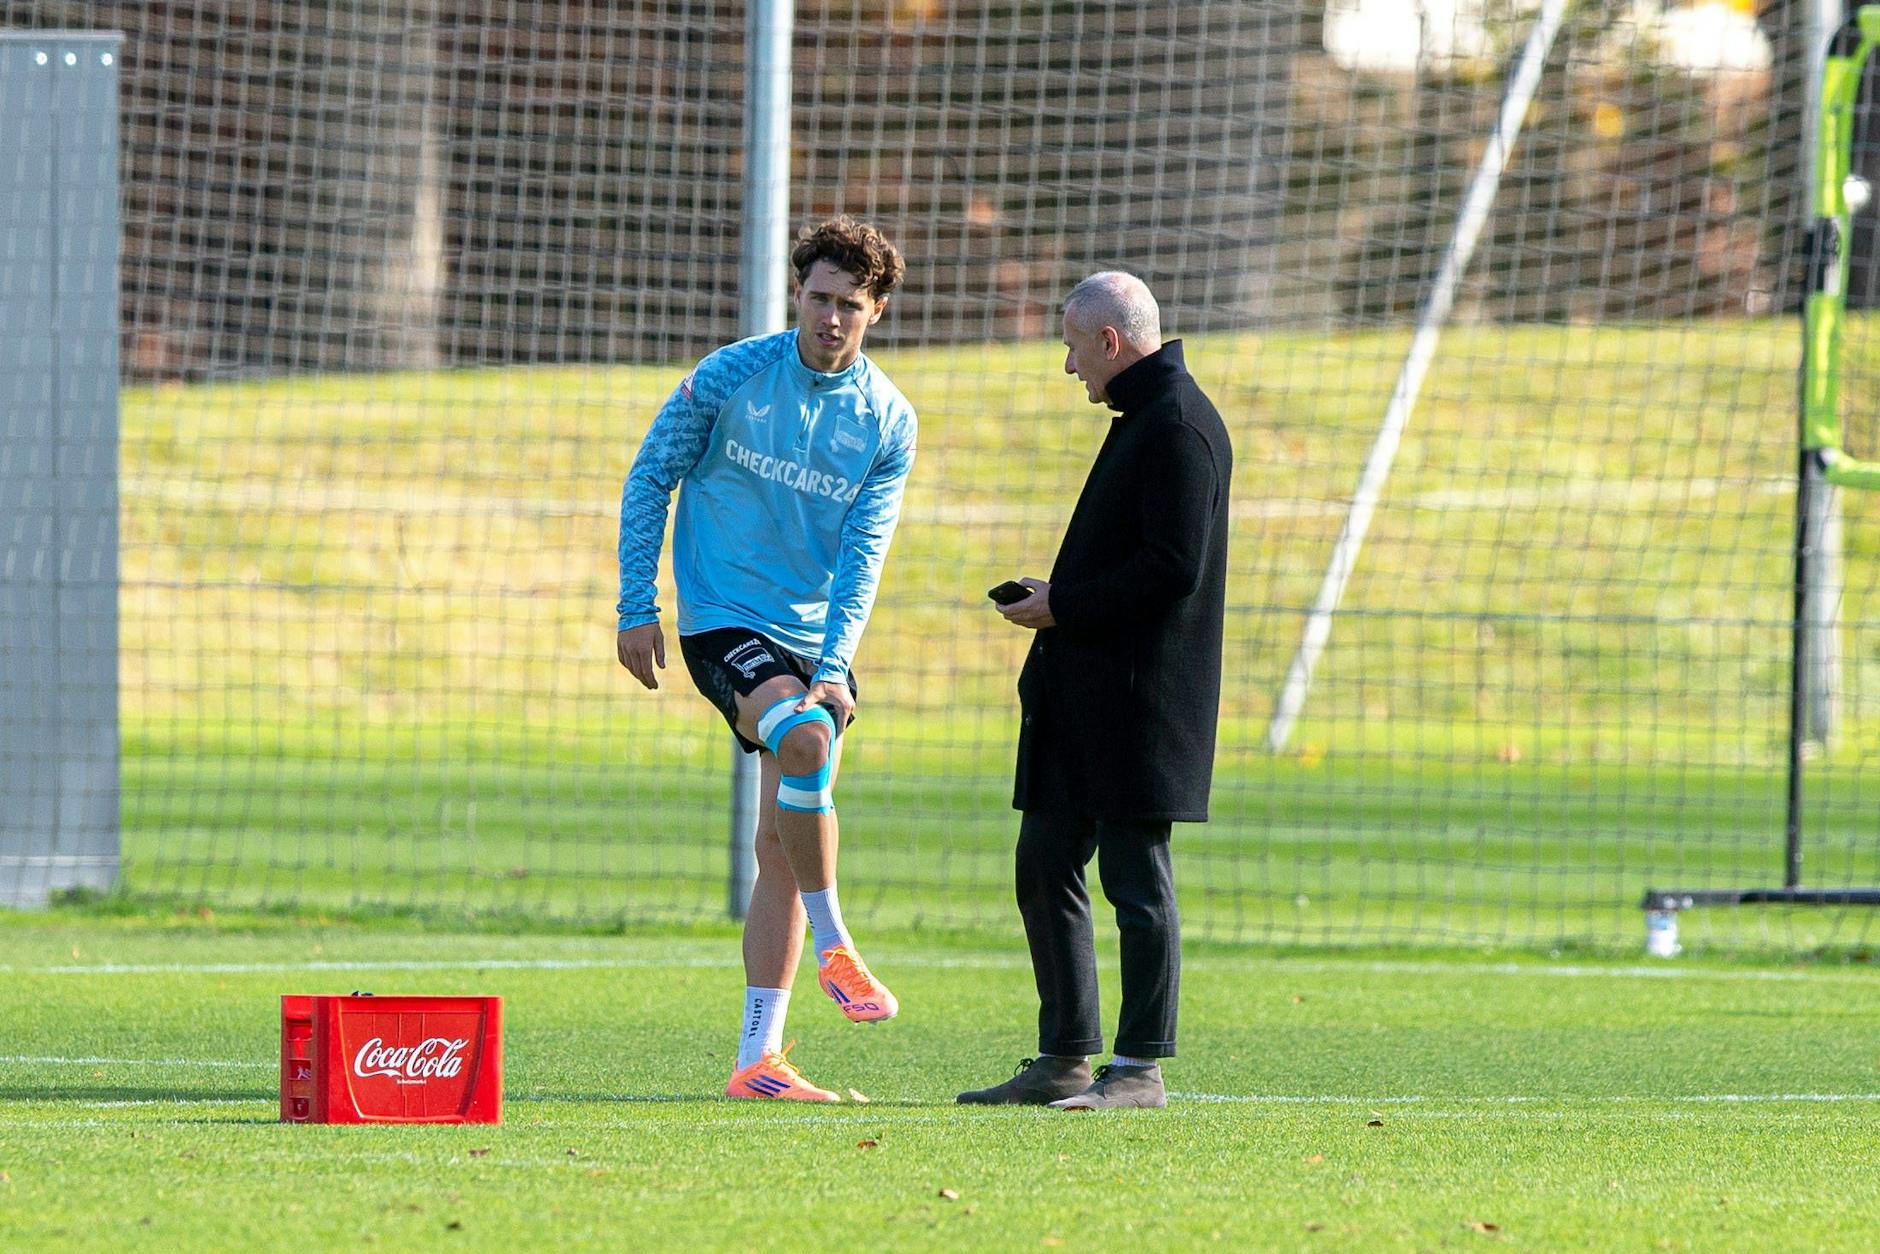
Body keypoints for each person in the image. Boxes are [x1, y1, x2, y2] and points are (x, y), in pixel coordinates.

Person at [615, 216, 916, 1103]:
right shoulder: (732, 376)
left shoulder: (888, 421)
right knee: (807, 743)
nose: (830, 319)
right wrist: (640, 606)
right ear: (799, 295)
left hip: (813, 637)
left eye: (849, 307)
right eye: (818, 299)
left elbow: (865, 553)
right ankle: (837, 947)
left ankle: (759, 1059)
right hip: (721, 619)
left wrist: (836, 662)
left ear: (877, 311)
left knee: (783, 844)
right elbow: (650, 475)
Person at [958, 272, 1232, 1111]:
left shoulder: (1178, 426)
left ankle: (1140, 1067)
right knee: (1045, 860)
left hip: (1141, 707)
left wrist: (1063, 604)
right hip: (1086, 698)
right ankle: (1065, 1056)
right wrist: (1058, 593)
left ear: (1109, 342)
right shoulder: (1144, 417)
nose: (1069, 366)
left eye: (1074, 348)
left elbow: (1171, 569)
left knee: (1135, 877)